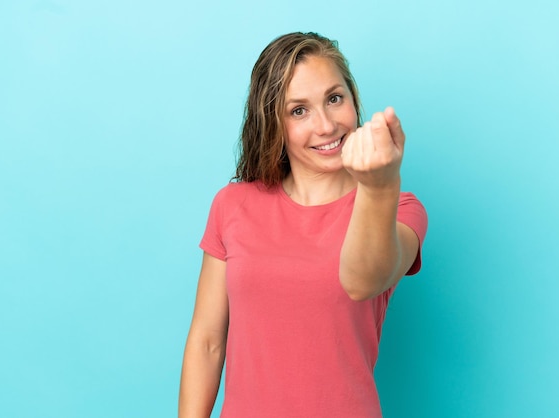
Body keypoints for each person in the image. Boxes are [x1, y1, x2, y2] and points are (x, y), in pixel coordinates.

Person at [178, 32, 428, 418]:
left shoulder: (397, 209)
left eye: (334, 98)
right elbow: (208, 341)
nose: (326, 126)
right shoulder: (233, 205)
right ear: (273, 123)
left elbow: (362, 281)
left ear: (353, 99)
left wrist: (379, 187)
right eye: (299, 110)